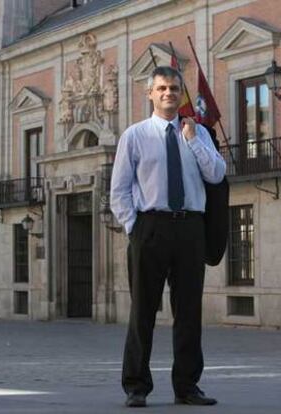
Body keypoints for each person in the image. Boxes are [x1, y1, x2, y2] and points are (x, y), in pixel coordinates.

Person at [110, 66, 226, 407]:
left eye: (174, 88)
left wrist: (192, 140)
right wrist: (135, 227)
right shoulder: (134, 135)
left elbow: (216, 174)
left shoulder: (199, 133)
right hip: (151, 227)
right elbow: (118, 190)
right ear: (150, 93)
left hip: (191, 228)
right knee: (142, 310)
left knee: (189, 311)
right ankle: (136, 386)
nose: (168, 94)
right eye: (161, 88)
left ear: (181, 93)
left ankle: (187, 386)